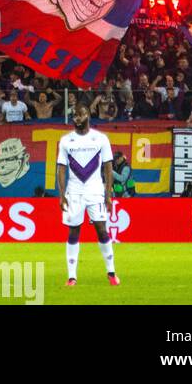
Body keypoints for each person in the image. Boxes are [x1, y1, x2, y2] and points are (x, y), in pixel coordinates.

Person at [55, 104, 118, 287]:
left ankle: (111, 272)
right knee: (74, 230)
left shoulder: (100, 139)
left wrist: (108, 195)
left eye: (80, 114)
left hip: (95, 191)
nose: (77, 118)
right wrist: (61, 194)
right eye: (74, 115)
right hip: (74, 192)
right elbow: (61, 168)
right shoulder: (66, 141)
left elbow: (108, 167)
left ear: (88, 115)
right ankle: (72, 276)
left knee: (101, 229)